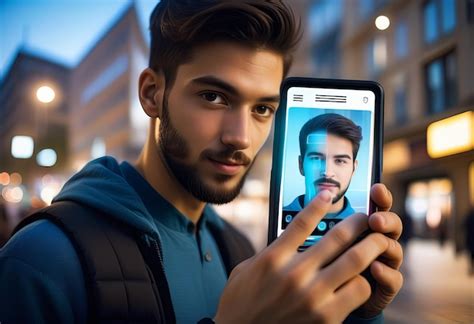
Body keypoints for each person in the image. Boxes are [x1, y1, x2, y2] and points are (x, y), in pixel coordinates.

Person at [0, 1, 403, 323]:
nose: (240, 137)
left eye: (262, 108)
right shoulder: (41, 261)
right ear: (152, 94)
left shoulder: (241, 250)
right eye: (214, 97)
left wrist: (356, 309)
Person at [284, 113, 361, 220]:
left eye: (340, 161)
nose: (327, 172)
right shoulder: (273, 221)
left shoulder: (365, 228)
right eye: (316, 159)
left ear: (354, 168)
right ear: (301, 165)